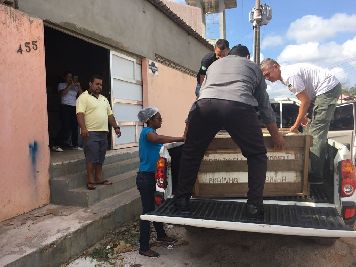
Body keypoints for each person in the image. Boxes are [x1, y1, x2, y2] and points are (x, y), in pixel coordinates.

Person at [174, 45, 285, 219]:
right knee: (256, 155)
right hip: (238, 107)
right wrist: (276, 137)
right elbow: (264, 106)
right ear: (247, 56)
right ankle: (254, 206)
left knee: (191, 153)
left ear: (228, 55)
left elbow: (200, 96)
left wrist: (187, 129)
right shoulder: (253, 67)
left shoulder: (213, 66)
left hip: (204, 107)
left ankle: (182, 201)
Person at [260, 59, 342, 183]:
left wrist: (295, 125)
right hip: (318, 93)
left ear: (275, 67)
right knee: (308, 129)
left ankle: (316, 176)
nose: (267, 78)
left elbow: (305, 101)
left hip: (327, 89)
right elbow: (306, 98)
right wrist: (303, 115)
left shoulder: (289, 76)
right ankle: (308, 166)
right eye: (264, 76)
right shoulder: (285, 77)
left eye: (267, 74)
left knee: (315, 132)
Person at [136, 107, 184, 257]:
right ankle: (143, 247)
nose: (161, 120)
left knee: (157, 208)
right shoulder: (147, 132)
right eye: (158, 118)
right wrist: (179, 138)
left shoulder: (153, 133)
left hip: (153, 177)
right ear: (149, 120)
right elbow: (156, 139)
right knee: (148, 211)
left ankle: (161, 235)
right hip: (146, 178)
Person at [76, 74, 121, 190]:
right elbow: (80, 114)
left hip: (103, 133)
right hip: (90, 133)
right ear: (90, 84)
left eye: (101, 84)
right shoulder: (83, 97)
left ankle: (99, 178)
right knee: (91, 157)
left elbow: (110, 115)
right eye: (97, 84)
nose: (99, 86)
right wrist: (83, 128)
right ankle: (90, 180)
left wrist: (116, 127)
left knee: (100, 157)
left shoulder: (104, 99)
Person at [58, 71, 82, 149]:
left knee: (74, 126)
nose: (70, 78)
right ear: (65, 77)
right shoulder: (61, 84)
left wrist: (79, 86)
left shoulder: (75, 86)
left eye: (71, 77)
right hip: (65, 106)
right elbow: (62, 94)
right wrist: (69, 85)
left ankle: (75, 144)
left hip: (74, 107)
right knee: (65, 125)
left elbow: (82, 96)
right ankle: (57, 144)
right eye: (68, 76)